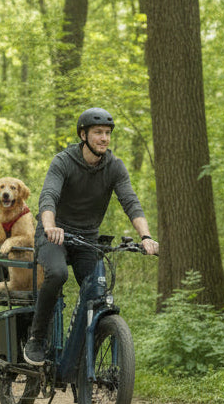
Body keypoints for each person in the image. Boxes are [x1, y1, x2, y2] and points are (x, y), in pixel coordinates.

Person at [22, 107, 160, 365]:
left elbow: (130, 201)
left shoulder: (115, 167)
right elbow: (48, 196)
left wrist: (146, 237)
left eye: (107, 133)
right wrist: (50, 226)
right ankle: (36, 338)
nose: (104, 138)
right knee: (58, 274)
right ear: (83, 135)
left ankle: (85, 356)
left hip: (86, 239)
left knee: (97, 291)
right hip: (55, 235)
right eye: (98, 133)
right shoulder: (63, 161)